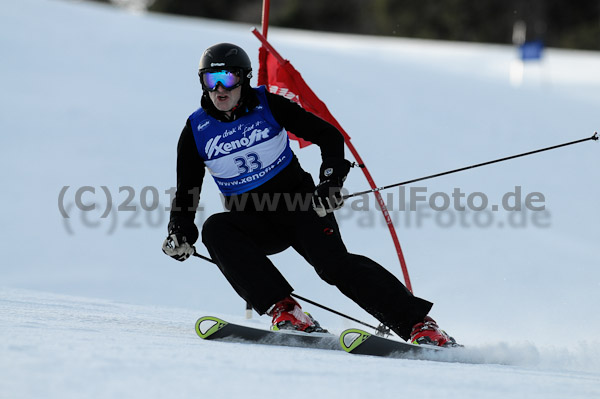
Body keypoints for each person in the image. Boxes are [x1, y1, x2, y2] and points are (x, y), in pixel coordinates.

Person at [162, 42, 458, 347]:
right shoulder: (196, 129)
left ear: (244, 78)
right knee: (216, 229)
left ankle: (420, 326)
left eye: (228, 78)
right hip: (253, 221)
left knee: (333, 266)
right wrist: (180, 231)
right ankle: (286, 311)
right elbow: (187, 189)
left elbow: (327, 135)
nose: (220, 89)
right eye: (212, 80)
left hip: (301, 208)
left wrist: (330, 182)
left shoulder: (268, 104)